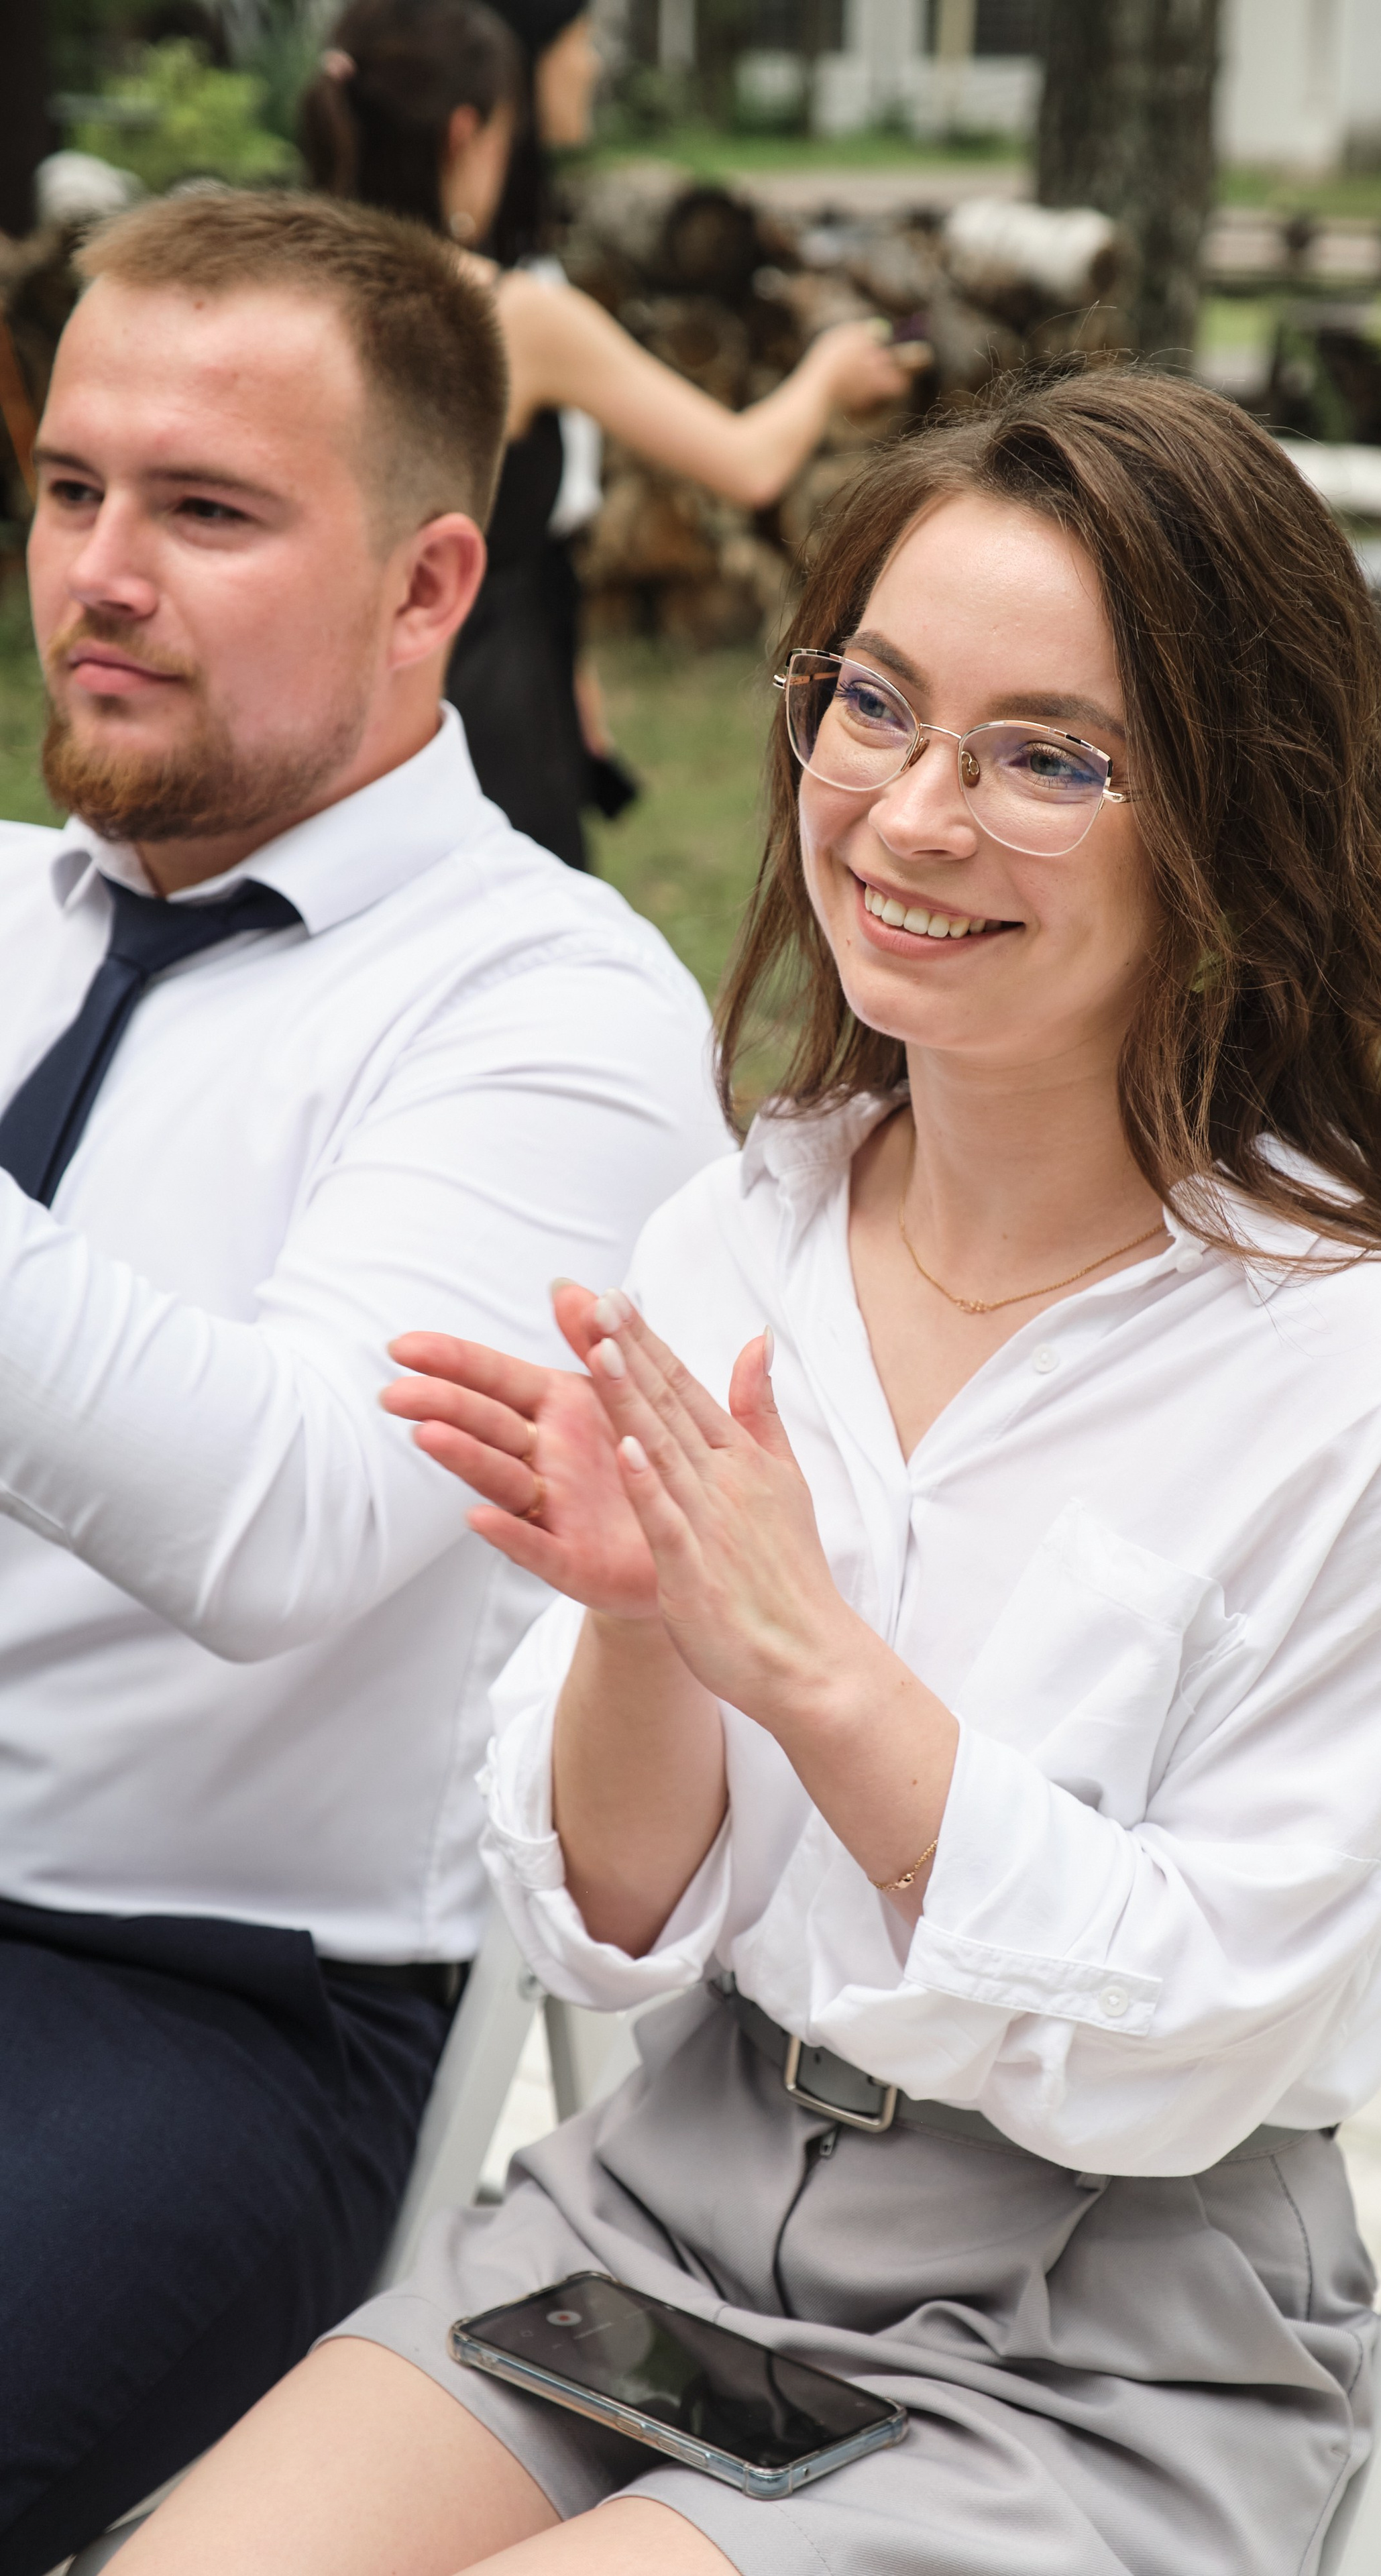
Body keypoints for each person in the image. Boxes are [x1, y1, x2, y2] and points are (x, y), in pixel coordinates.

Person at [111, 368, 1381, 2576]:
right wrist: (654, 1631)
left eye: (1047, 755)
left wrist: (821, 1667)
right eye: (876, 705)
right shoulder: (738, 1233)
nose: (913, 815)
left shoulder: (1349, 1379)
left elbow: (1208, 2037)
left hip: (1093, 2343)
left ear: (1227, 819)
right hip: (672, 2220)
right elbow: (615, 1929)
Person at [0, 188, 729, 2576]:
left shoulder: (551, 1011)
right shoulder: (10, 909)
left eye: (206, 512)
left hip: (209, 2007)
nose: (103, 569)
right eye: (70, 486)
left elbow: (290, 1522)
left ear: (432, 587)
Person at [300, 0, 921, 871]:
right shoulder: (506, 315)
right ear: (468, 132)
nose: (594, 66)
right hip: (482, 712)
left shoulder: (286, 301)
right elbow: (747, 462)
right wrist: (828, 369)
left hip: (317, 705)